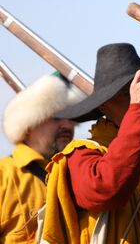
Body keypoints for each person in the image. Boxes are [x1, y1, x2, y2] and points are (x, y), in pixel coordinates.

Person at [40, 43, 140, 244]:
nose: (135, 99)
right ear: (104, 104)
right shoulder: (79, 154)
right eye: (126, 93)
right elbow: (106, 190)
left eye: (139, 90)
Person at [0, 73, 83, 243]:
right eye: (56, 117)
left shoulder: (77, 172)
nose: (68, 125)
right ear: (28, 126)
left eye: (70, 117)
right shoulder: (3, 175)